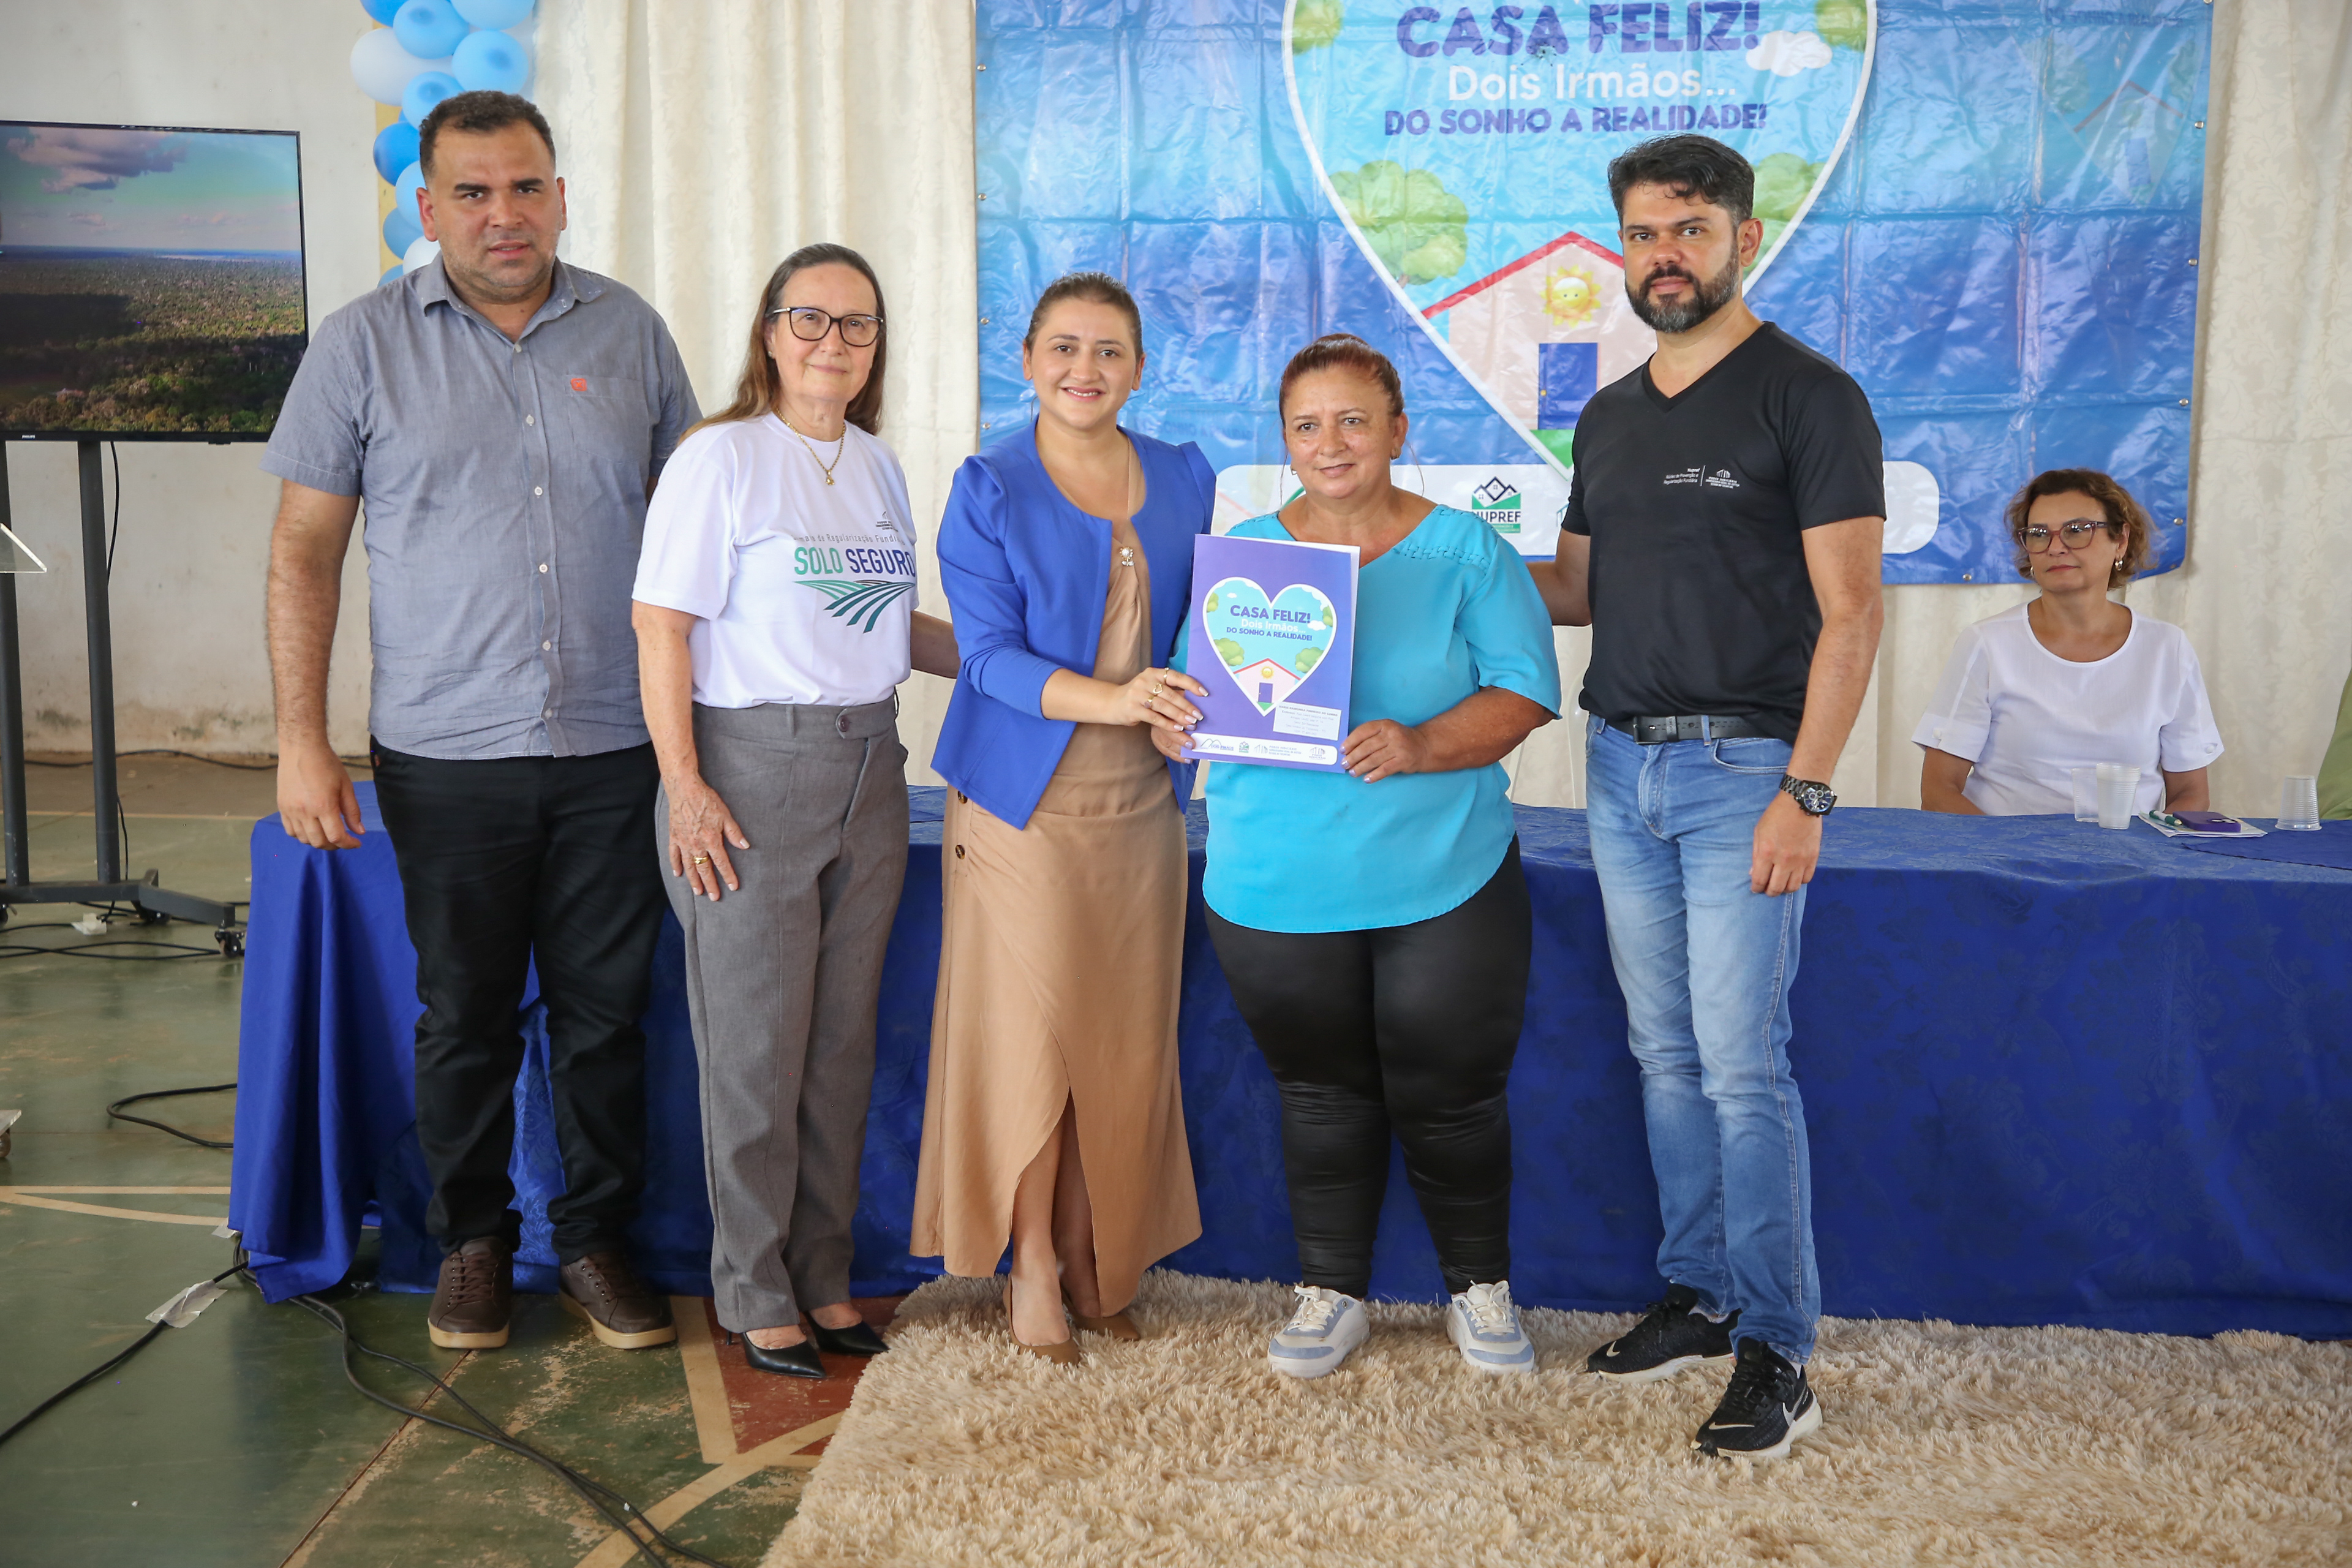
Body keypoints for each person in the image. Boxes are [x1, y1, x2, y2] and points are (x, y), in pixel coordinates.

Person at [263, 91, 699, 1352]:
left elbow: (696, 549)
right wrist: (303, 735)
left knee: (609, 1013)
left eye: (525, 187)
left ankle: (598, 1242)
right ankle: (471, 1239)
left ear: (561, 194)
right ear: (429, 204)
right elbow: (302, 552)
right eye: (473, 191)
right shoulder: (360, 346)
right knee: (464, 1014)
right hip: (446, 754)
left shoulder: (632, 336)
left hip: (619, 747)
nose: (502, 215)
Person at [1526, 135, 1884, 1460]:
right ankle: (1700, 1291)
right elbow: (1570, 590)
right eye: (1641, 234)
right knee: (1664, 1055)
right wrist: (1421, 554)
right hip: (1616, 762)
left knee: (1742, 1065)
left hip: (1750, 775)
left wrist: (1809, 788)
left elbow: (1853, 619)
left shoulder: (1810, 395)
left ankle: (1779, 1344)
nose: (1663, 255)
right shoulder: (1612, 414)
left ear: (1742, 235)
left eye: (1687, 230)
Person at [1177, 334, 1559, 1381]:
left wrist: (1424, 744)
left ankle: (1479, 1290)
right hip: (1274, 879)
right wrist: (1177, 719)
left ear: (1398, 430)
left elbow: (1524, 690)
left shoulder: (1466, 551)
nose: (1331, 442)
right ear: (1285, 442)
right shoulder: (1246, 557)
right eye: (1307, 424)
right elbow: (1200, 697)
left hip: (1443, 874)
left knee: (1454, 1092)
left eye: (1354, 419)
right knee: (1318, 1094)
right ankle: (1331, 1292)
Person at [631, 244, 959, 1378]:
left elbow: (886, 622)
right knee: (757, 1052)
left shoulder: (877, 466)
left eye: (858, 326)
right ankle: (753, 1287)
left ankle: (823, 1278)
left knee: (838, 1052)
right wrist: (685, 789)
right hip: (750, 770)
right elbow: (661, 626)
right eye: (809, 319)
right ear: (769, 332)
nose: (834, 342)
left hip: (874, 768)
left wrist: (1021, 665)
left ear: (878, 349)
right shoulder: (718, 460)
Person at [913, 273, 1214, 1364]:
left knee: (1125, 1041)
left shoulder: (1185, 474)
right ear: (1029, 359)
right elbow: (986, 661)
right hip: (1021, 806)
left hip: (1143, 805)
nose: (1086, 371)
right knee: (1035, 1043)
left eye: (1110, 352)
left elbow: (1200, 635)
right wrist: (1121, 699)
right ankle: (1031, 1258)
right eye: (1065, 349)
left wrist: (1193, 703)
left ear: (1140, 368)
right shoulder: (988, 482)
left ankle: (1104, 1256)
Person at [1915, 469, 2220, 816]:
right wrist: (2013, 855)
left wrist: (2142, 853)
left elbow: (2191, 795)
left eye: (2077, 531)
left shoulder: (2167, 648)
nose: (2056, 547)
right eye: (2039, 534)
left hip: (2129, 861)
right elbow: (1939, 792)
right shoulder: (1987, 643)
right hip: (2006, 862)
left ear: (2120, 540)